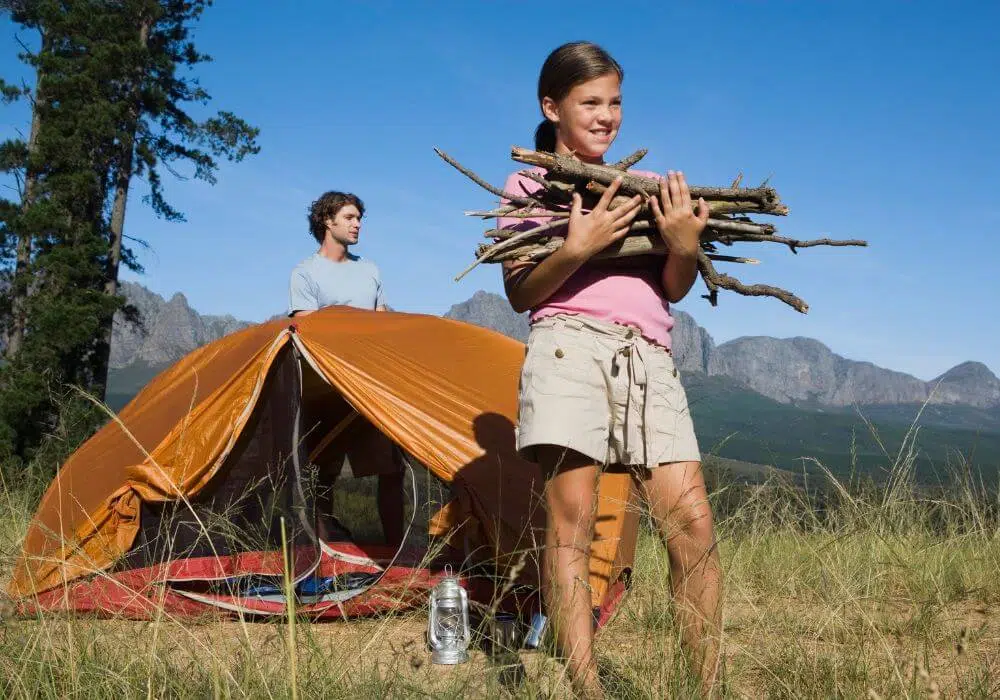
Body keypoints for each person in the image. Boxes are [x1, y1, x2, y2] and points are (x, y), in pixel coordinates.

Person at [499, 42, 722, 697]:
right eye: (589, 102)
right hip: (567, 346)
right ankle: (586, 685)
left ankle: (705, 685)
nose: (606, 116)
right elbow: (520, 292)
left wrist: (684, 246)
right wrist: (578, 247)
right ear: (552, 107)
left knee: (694, 524)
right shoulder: (530, 184)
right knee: (573, 521)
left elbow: (674, 287)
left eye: (615, 102)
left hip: (648, 355)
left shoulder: (646, 192)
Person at [288, 191, 405, 547]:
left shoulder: (369, 270)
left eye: (359, 219)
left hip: (371, 384)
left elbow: (383, 320)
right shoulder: (305, 272)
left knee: (392, 470)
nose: (358, 224)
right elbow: (304, 326)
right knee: (322, 472)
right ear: (328, 221)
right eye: (350, 218)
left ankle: (397, 552)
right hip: (326, 384)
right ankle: (324, 553)